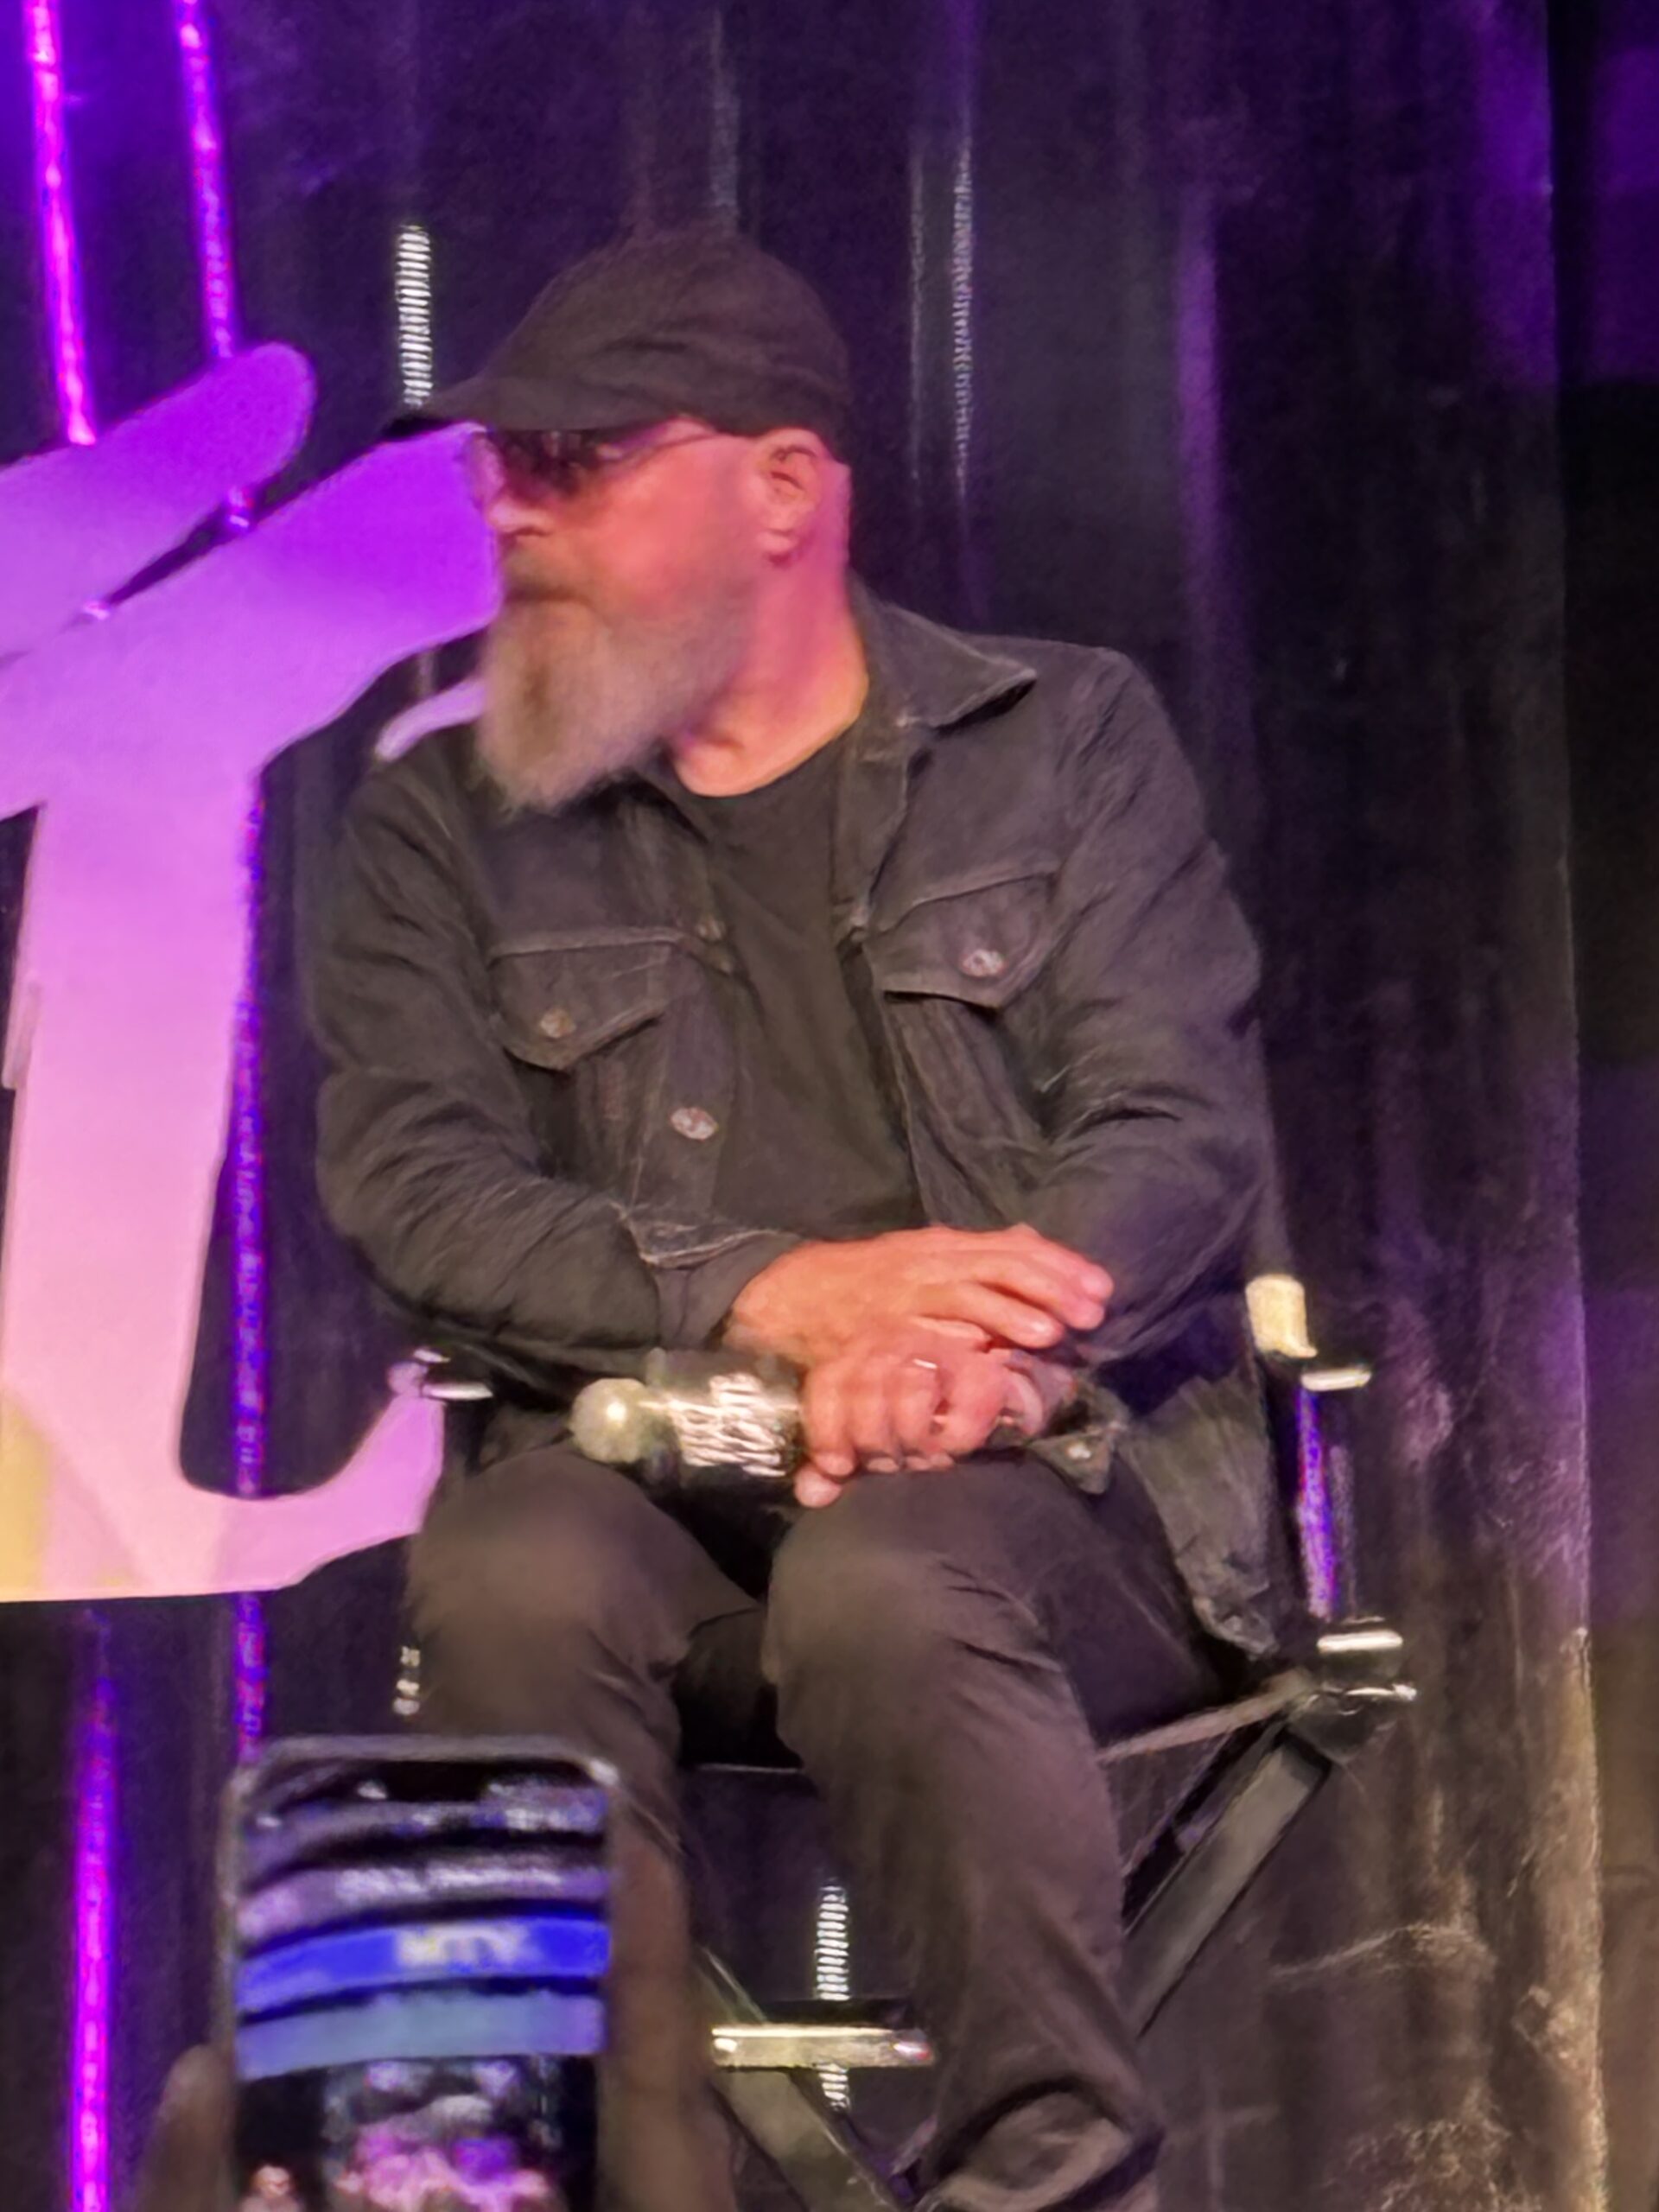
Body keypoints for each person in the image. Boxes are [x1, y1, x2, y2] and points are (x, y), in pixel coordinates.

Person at [308, 225, 1287, 2212]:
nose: (508, 506)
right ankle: (556, 2180)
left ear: (781, 487)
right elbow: (419, 1189)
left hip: (1050, 1490)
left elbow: (1174, 1125)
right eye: (497, 461)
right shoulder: (441, 823)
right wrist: (780, 1290)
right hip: (657, 1474)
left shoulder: (1063, 740)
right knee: (506, 1572)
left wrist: (971, 1353)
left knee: (883, 1576)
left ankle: (1043, 2185)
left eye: (573, 456)